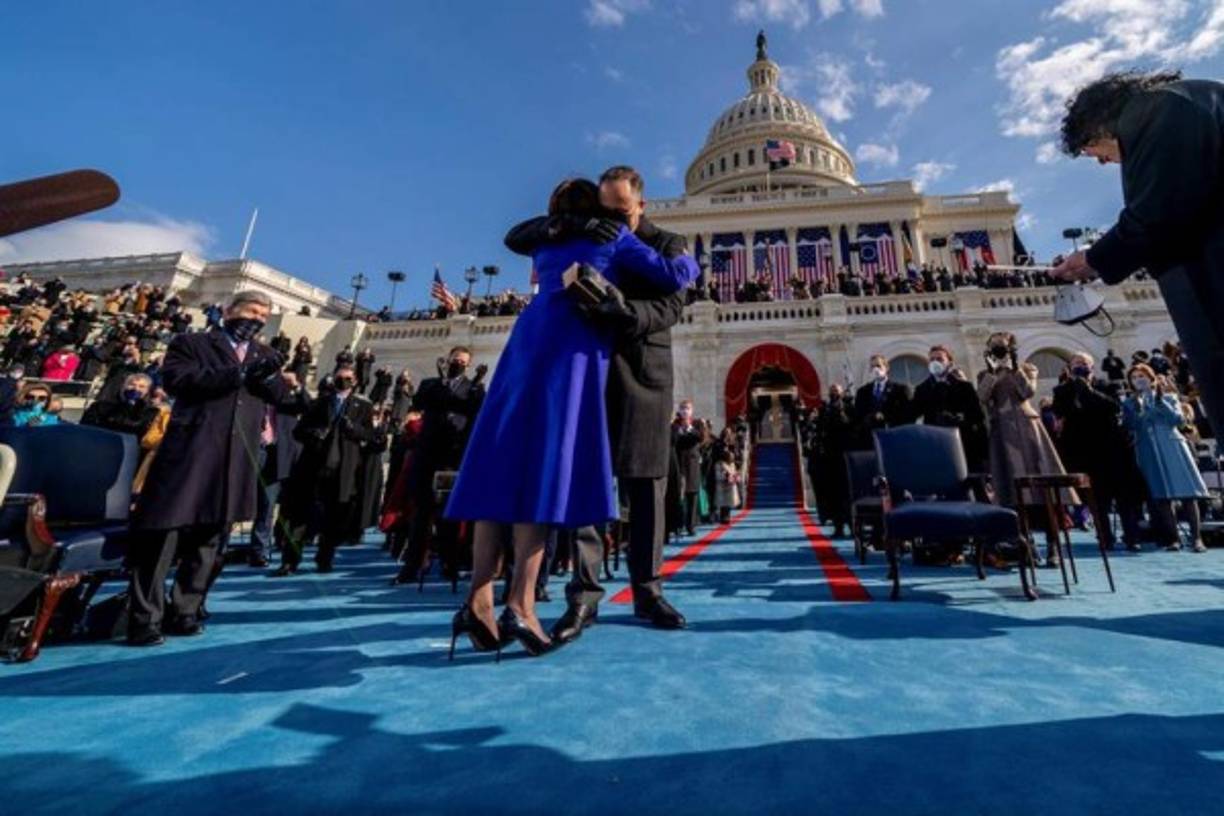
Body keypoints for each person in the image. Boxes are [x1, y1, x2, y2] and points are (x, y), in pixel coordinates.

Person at [445, 177, 698, 658]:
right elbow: (676, 278)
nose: (615, 218)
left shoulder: (549, 239)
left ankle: (480, 600)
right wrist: (692, 263)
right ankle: (527, 603)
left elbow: (668, 306)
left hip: (539, 349)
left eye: (622, 210)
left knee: (504, 469)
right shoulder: (609, 235)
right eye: (607, 209)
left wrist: (620, 301)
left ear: (641, 204)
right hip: (576, 360)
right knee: (550, 476)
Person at [1052, 70, 1224, 441]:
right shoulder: (1185, 101)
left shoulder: (1158, 110)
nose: (1100, 162)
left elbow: (1157, 212)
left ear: (1097, 124)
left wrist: (1094, 258)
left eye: (1089, 150)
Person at [127, 291, 287, 646]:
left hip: (235, 457)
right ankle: (144, 618)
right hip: (191, 450)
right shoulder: (191, 342)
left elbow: (280, 398)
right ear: (229, 311)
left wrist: (274, 377)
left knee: (211, 540)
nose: (257, 318)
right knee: (162, 536)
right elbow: (179, 381)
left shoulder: (263, 354)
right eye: (251, 310)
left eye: (264, 314)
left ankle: (186, 609)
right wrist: (240, 373)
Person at [976, 332, 1073, 566]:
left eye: (1003, 346)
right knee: (1012, 492)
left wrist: (1014, 366)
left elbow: (1027, 392)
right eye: (994, 347)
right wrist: (991, 373)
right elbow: (983, 397)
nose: (999, 351)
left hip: (1029, 431)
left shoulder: (1027, 368)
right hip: (1002, 434)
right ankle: (1025, 545)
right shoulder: (985, 374)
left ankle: (1053, 546)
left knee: (1042, 491)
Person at [393, 347, 487, 584]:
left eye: (463, 362)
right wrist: (445, 388)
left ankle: (449, 562)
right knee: (421, 514)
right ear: (447, 361)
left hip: (452, 457)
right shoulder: (430, 384)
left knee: (449, 514)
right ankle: (412, 565)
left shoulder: (474, 388)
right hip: (427, 456)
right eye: (455, 360)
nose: (458, 364)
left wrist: (472, 386)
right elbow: (422, 402)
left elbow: (472, 408)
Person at [275, 364, 377, 574]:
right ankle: (290, 561)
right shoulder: (319, 403)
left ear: (355, 381)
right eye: (339, 377)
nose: (343, 382)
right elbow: (299, 431)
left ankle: (324, 559)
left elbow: (370, 436)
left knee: (334, 519)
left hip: (343, 470)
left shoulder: (363, 407)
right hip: (314, 468)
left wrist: (354, 430)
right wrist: (315, 433)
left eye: (347, 378)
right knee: (300, 518)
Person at [1052, 352, 1146, 551]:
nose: (1080, 366)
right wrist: (1075, 391)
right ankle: (1105, 537)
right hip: (1085, 451)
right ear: (1069, 367)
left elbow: (1114, 406)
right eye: (1076, 363)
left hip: (1112, 449)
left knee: (1123, 497)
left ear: (1092, 367)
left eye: (1084, 363)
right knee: (1096, 499)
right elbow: (1060, 412)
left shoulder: (1108, 386)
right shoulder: (1061, 390)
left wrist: (1089, 391)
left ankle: (1132, 537)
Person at [1122, 364, 1209, 552]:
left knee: (1187, 493)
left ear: (1151, 377)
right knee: (1161, 496)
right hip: (1147, 448)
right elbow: (1131, 425)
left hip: (1172, 445)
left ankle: (1197, 539)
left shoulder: (1168, 397)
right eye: (1135, 377)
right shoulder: (1129, 402)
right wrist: (1137, 409)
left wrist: (1161, 402)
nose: (1139, 380)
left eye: (1142, 375)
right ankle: (1173, 539)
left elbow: (1177, 420)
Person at [910, 345, 988, 472]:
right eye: (932, 359)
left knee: (974, 482)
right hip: (937, 443)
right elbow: (912, 414)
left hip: (964, 443)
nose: (935, 362)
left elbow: (977, 416)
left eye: (940, 359)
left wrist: (960, 418)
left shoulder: (965, 387)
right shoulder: (922, 389)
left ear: (949, 363)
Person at [852, 354, 911, 449]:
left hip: (893, 436)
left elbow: (906, 415)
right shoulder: (862, 391)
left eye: (878, 366)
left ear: (886, 367)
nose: (876, 369)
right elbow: (858, 415)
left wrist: (885, 416)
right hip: (870, 439)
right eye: (873, 366)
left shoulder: (900, 390)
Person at [80, 373, 160, 440]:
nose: (136, 389)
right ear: (124, 386)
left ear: (147, 391)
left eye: (141, 386)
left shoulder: (151, 412)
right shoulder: (101, 406)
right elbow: (87, 426)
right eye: (132, 385)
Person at [672, 401, 703, 537]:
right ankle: (678, 525)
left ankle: (691, 526)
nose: (685, 411)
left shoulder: (695, 429)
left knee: (692, 499)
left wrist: (689, 427)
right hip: (679, 468)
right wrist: (679, 428)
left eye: (688, 409)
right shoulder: (674, 428)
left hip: (693, 469)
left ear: (692, 411)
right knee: (679, 498)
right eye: (683, 408)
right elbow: (675, 440)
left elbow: (698, 437)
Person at [713, 447, 740, 524]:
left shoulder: (732, 464)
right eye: (730, 457)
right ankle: (722, 517)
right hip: (722, 487)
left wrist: (736, 476)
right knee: (723, 504)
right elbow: (717, 475)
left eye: (732, 458)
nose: (731, 459)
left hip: (730, 487)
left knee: (728, 504)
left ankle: (727, 517)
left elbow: (734, 473)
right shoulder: (719, 464)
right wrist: (725, 476)